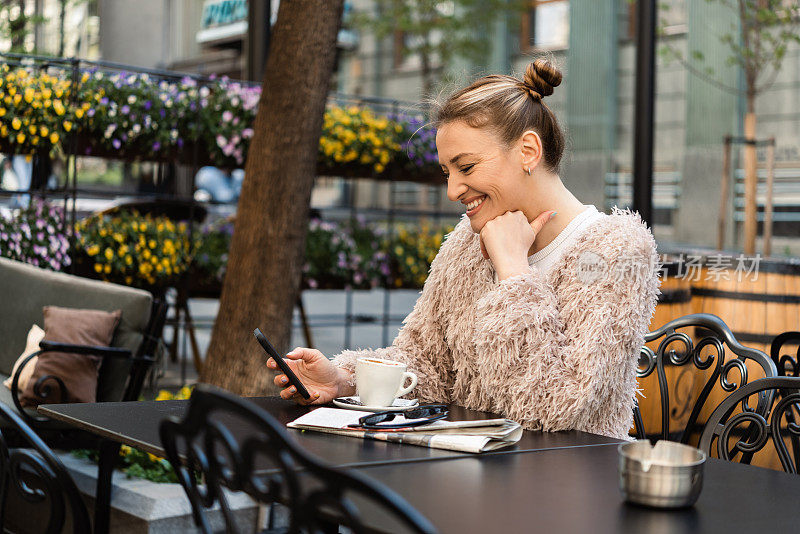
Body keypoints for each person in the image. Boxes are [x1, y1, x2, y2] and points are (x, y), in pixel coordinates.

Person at [266, 59, 660, 440]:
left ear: (528, 151)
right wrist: (344, 379)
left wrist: (513, 272)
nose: (453, 190)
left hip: (566, 485)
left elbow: (555, 410)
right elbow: (427, 363)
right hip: (468, 473)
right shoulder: (468, 241)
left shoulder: (618, 250)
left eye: (466, 167)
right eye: (446, 172)